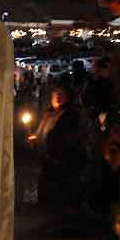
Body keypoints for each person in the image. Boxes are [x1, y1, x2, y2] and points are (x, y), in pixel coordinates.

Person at [30, 84, 85, 228]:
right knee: (53, 192)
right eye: (55, 95)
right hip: (49, 160)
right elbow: (41, 132)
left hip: (64, 161)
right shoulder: (48, 114)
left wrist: (61, 153)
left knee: (65, 192)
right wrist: (35, 138)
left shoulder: (71, 115)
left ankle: (67, 223)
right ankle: (56, 221)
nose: (58, 97)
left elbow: (70, 137)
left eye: (61, 94)